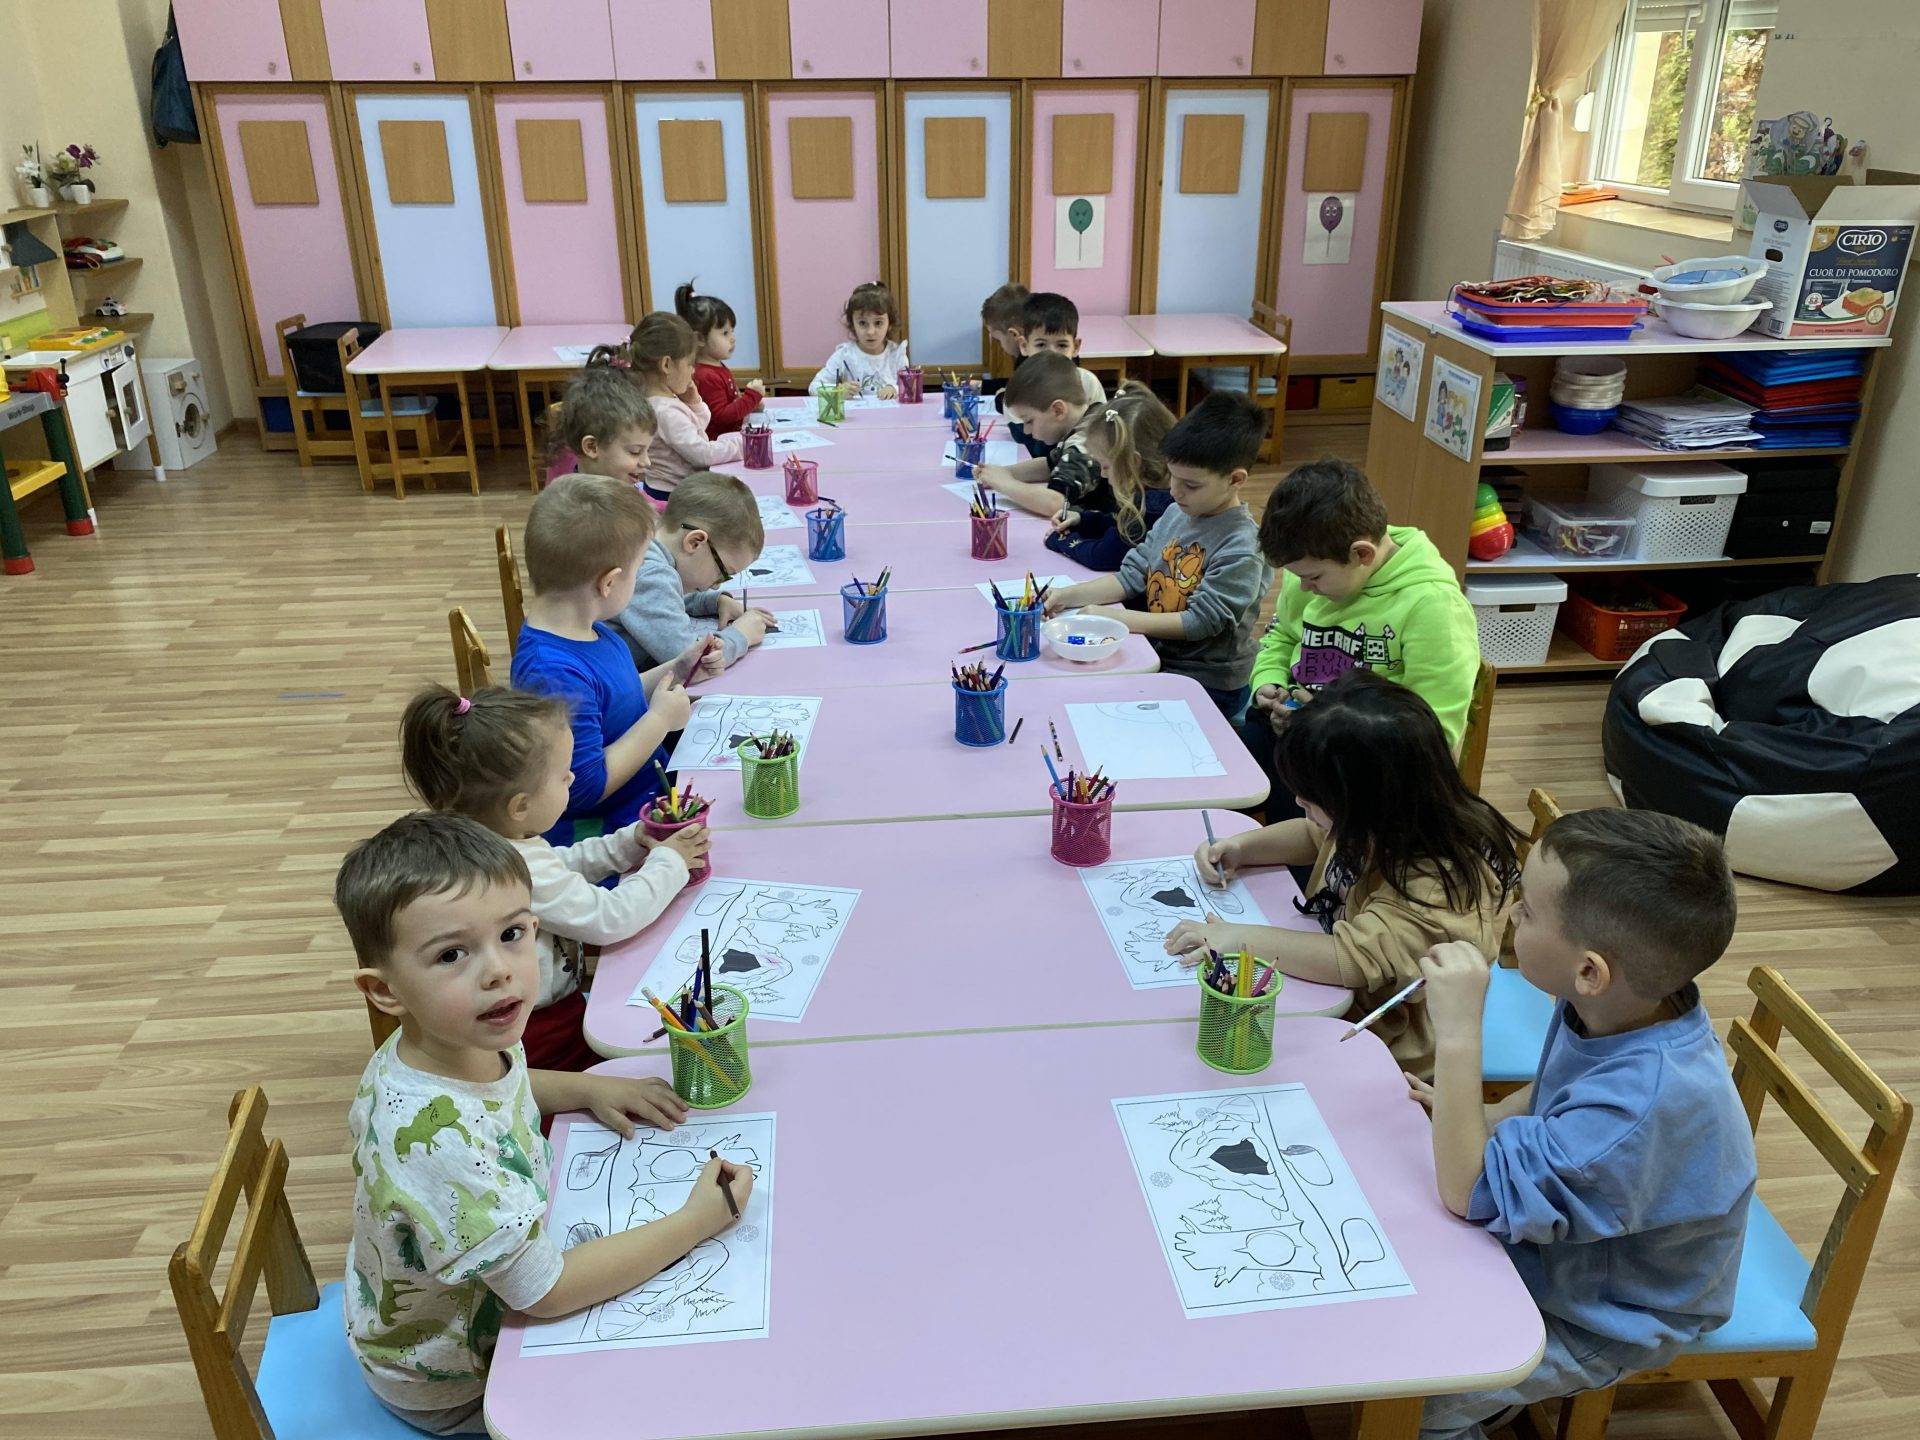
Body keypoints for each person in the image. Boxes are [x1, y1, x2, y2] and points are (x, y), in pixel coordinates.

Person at [337, 812, 751, 1434]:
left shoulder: (447, 1042)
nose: (499, 970)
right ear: (385, 992)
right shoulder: (437, 1145)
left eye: (512, 934)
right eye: (451, 954)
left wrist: (587, 1086)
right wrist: (699, 1220)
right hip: (455, 1379)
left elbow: (501, 1089)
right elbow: (547, 1292)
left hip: (465, 1291)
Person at [1410, 808, 1754, 1439]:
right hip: (1575, 1256)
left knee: (1418, 1407)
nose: (1511, 916)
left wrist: (1458, 1031)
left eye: (1528, 911)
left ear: (1590, 971)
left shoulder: (1635, 1108)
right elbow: (1557, 1092)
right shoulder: (1621, 1007)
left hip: (1614, 1314)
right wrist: (1477, 1116)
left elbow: (1467, 1192)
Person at [1166, 670, 1521, 1078]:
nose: (1299, 801)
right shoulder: (1377, 818)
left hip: (1383, 1045)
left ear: (1368, 800)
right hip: (1327, 998)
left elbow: (1352, 958)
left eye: (1311, 798)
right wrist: (1244, 848)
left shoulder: (1441, 882)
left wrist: (1240, 939)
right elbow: (1314, 835)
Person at [398, 684, 707, 1073]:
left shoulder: (488, 840)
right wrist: (671, 862)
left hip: (537, 1010)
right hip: (538, 1032)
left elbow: (561, 865)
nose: (573, 779)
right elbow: (611, 917)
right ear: (520, 806)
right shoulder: (511, 863)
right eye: (563, 777)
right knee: (655, 1065)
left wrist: (629, 843)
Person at [1243, 457, 1479, 778]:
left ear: (1362, 554)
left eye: (1314, 578)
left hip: (1375, 760)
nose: (1304, 587)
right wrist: (1269, 682)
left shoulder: (1433, 606)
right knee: (1247, 755)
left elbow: (1434, 732)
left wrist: (1330, 726)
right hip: (1306, 734)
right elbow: (1283, 634)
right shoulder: (1314, 568)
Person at [1044, 391, 1271, 722]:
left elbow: (1200, 622)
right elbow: (1132, 575)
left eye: (1191, 484)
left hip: (1209, 682)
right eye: (1172, 475)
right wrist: (1066, 596)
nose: (1175, 490)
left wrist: (1119, 619)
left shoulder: (1242, 545)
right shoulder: (1177, 512)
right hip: (1161, 658)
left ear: (1235, 480)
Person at [509, 474, 693, 846]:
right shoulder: (552, 673)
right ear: (608, 583)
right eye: (637, 570)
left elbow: (615, 699)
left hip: (648, 796)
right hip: (613, 833)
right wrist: (660, 720)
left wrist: (678, 668)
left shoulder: (590, 629)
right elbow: (585, 789)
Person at [611, 471, 775, 674]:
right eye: (722, 572)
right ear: (695, 542)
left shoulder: (649, 544)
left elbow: (665, 596)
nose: (717, 585)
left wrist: (713, 601)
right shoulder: (651, 574)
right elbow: (691, 662)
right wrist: (741, 635)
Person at [1044, 381, 1176, 572]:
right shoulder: (1152, 494)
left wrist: (1062, 541)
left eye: (1105, 466)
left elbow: (1103, 556)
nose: (1103, 474)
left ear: (1133, 463)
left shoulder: (1153, 506)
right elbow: (1118, 526)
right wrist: (1082, 519)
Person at [625, 313, 743, 503]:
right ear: (666, 364)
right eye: (690, 364)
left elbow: (697, 428)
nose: (693, 371)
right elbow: (702, 454)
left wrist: (693, 402)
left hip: (669, 489)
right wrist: (742, 446)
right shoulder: (665, 412)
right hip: (674, 496)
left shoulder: (660, 401)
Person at [974, 350, 1105, 519]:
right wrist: (1004, 472)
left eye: (1029, 421)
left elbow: (1055, 503)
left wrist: (1004, 483)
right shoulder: (1087, 419)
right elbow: (1050, 465)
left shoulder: (1085, 444)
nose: (1026, 431)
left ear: (1058, 410)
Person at [548, 358, 658, 491]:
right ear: (592, 447)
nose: (647, 462)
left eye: (647, 451)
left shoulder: (617, 483)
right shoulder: (572, 499)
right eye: (635, 452)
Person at [677, 280, 764, 437]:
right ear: (700, 339)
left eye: (732, 331)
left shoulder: (716, 366)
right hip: (719, 444)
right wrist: (751, 397)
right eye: (725, 333)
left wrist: (749, 404)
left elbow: (730, 402)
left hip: (731, 438)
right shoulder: (705, 376)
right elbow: (722, 417)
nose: (733, 339)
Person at [808, 281, 909, 398]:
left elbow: (910, 387)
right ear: (852, 325)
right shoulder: (844, 355)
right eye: (862, 323)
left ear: (890, 323)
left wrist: (895, 389)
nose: (870, 332)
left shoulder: (897, 354)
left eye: (878, 323)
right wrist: (838, 391)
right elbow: (814, 387)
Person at [1019, 291, 1107, 406]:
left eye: (1062, 345)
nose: (1051, 354)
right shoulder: (1019, 388)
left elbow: (1101, 417)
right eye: (1041, 345)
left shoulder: (1088, 383)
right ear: (1024, 346)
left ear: (1075, 347)